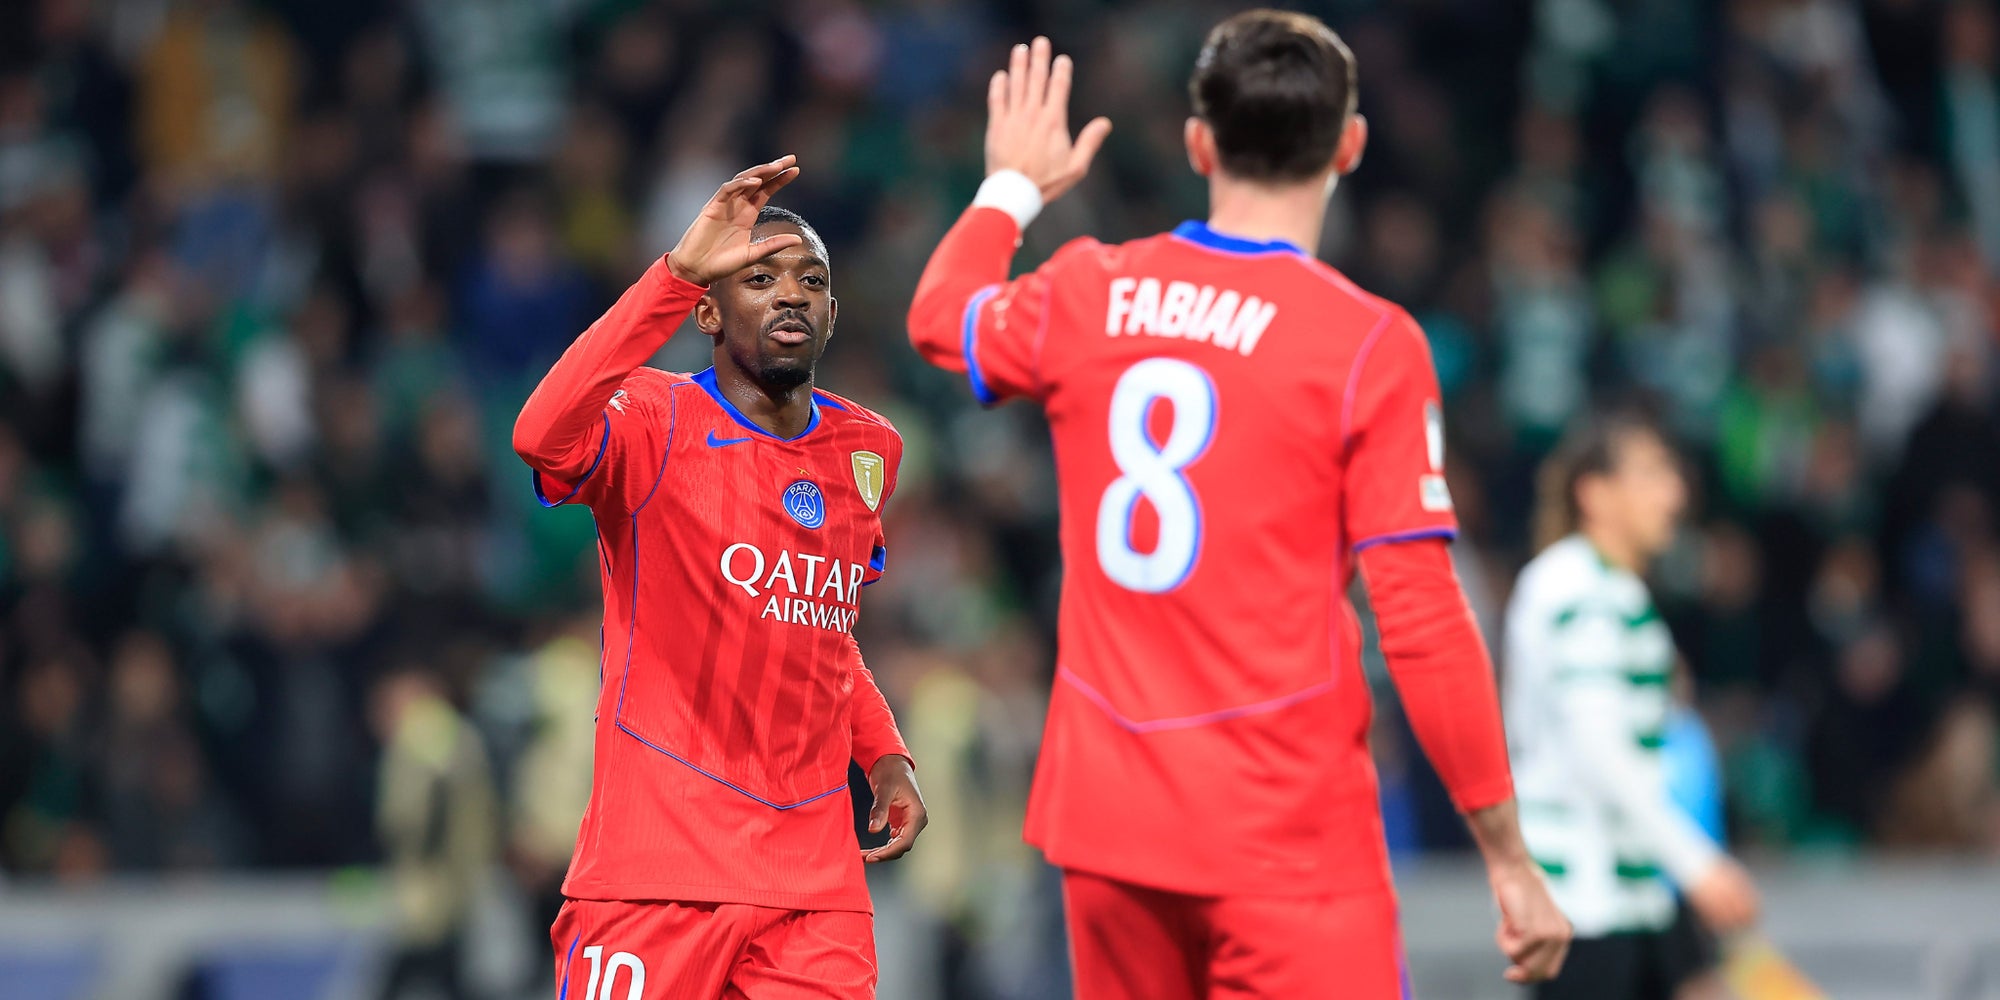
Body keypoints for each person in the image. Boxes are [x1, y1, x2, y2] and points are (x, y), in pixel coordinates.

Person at [905, 13, 1571, 998]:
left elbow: (938, 320)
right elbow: (1421, 615)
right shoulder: (1364, 345)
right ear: (1349, 144)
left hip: (1108, 830)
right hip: (1283, 830)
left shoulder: (1085, 291)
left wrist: (1010, 187)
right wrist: (1507, 854)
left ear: (1197, 143)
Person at [512, 156, 928, 1000]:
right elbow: (539, 435)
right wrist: (671, 275)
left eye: (811, 280)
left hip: (814, 891)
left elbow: (820, 627)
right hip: (656, 873)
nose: (791, 294)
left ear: (833, 313)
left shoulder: (869, 449)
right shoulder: (651, 419)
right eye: (759, 278)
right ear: (707, 309)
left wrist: (883, 752)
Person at [1505, 413, 1762, 1000]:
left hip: (1629, 888)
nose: (1673, 494)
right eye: (1650, 474)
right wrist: (1697, 864)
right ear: (1594, 494)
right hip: (1588, 901)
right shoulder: (1582, 594)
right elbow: (1598, 751)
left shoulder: (1602, 589)